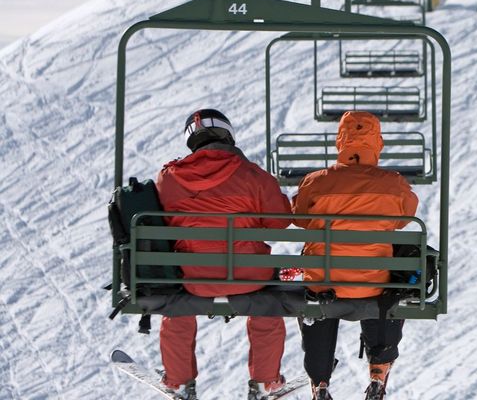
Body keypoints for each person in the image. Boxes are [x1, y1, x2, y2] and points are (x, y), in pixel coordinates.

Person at [155, 109, 292, 400]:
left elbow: (162, 222)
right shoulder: (252, 175)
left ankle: (179, 380)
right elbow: (279, 222)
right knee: (267, 303)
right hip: (249, 277)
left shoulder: (170, 178)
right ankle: (265, 381)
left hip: (194, 277)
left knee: (177, 306)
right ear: (227, 135)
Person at [292, 111, 418, 400]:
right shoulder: (394, 184)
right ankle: (378, 372)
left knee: (318, 292)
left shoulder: (317, 181)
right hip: (372, 284)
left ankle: (320, 382)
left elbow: (299, 218)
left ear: (341, 141)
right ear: (378, 143)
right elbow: (404, 218)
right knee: (384, 291)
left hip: (324, 282)